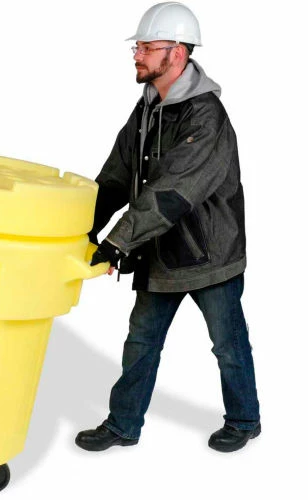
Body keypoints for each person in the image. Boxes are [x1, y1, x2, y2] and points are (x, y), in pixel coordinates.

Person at [75, 1, 260, 453]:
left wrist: (118, 242)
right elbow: (117, 175)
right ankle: (123, 425)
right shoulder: (147, 109)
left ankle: (244, 420)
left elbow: (174, 191)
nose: (137, 55)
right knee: (141, 342)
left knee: (228, 344)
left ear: (177, 53)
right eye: (137, 47)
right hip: (158, 250)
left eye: (147, 47)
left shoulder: (206, 116)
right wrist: (84, 227)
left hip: (209, 255)